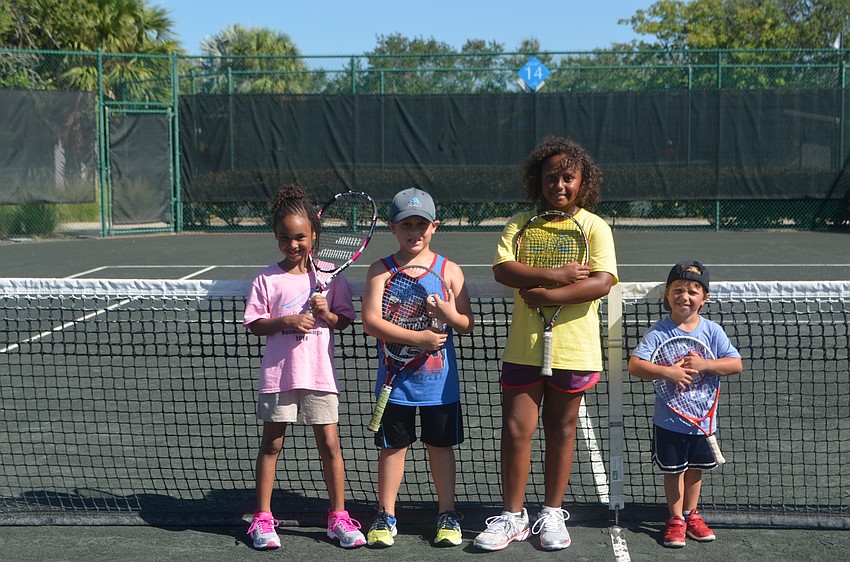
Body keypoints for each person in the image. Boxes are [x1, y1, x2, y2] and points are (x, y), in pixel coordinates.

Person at [474, 136, 618, 552]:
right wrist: (555, 276)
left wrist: (547, 296)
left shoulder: (594, 226)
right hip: (524, 346)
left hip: (575, 349)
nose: (559, 185)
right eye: (551, 177)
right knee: (517, 430)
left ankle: (552, 512)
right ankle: (513, 516)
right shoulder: (520, 223)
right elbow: (504, 269)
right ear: (537, 181)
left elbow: (602, 282)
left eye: (568, 177)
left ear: (583, 181)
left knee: (562, 429)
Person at [243, 185, 366, 550]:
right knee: (272, 444)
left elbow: (344, 319)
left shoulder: (331, 277)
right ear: (276, 237)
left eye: (300, 237)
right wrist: (287, 320)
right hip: (279, 375)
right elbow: (255, 323)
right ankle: (263, 519)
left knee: (330, 445)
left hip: (318, 375)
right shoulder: (267, 279)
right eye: (284, 238)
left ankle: (338, 518)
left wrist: (325, 312)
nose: (293, 245)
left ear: (314, 234)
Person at [361, 187, 475, 548]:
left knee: (440, 448)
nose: (414, 231)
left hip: (439, 387)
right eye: (406, 224)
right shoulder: (380, 270)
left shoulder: (449, 271)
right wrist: (420, 340)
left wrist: (447, 314)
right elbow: (370, 322)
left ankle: (447, 513)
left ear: (434, 226)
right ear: (393, 228)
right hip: (396, 384)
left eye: (422, 224)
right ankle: (385, 514)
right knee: (393, 448)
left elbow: (466, 323)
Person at [627, 260, 743, 548]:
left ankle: (691, 515)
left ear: (705, 298)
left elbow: (735, 364)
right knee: (674, 471)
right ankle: (676, 518)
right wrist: (669, 372)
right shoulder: (659, 332)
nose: (685, 296)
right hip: (669, 421)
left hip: (703, 420)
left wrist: (706, 364)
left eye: (693, 291)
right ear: (667, 295)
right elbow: (635, 366)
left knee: (695, 470)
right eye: (678, 290)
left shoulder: (712, 332)